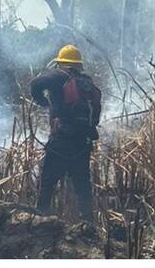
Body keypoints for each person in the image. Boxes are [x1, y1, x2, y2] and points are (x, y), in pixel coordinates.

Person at [30, 44, 102, 221]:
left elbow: (35, 84)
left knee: (47, 182)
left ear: (61, 62)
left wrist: (43, 102)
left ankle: (40, 221)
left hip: (61, 141)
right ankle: (88, 223)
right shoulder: (87, 84)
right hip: (83, 143)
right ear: (79, 64)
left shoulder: (59, 75)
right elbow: (95, 116)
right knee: (82, 186)